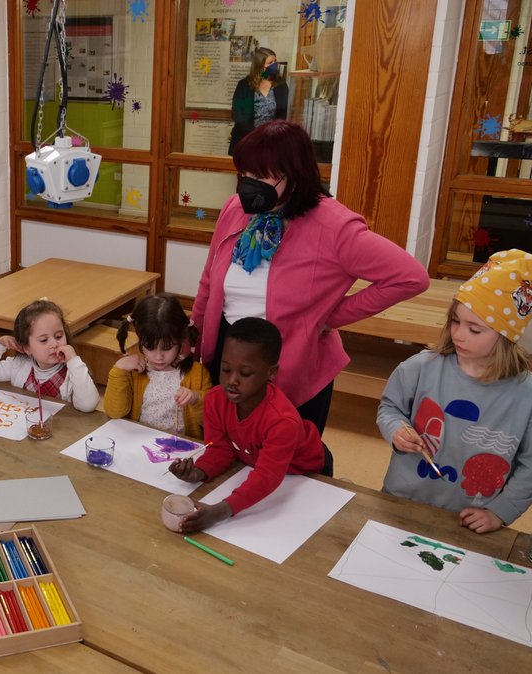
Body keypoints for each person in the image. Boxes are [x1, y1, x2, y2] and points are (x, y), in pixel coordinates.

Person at [191, 120, 429, 434]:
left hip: (291, 358)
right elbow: (209, 279)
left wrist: (328, 316)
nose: (248, 185)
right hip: (229, 350)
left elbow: (410, 277)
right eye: (244, 174)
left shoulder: (335, 226)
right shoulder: (236, 209)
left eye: (260, 176)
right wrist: (193, 336)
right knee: (224, 446)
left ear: (295, 173)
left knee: (285, 458)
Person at [377, 250, 532, 534]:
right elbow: (390, 408)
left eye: (475, 329)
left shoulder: (529, 394)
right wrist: (396, 429)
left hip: (470, 517)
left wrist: (501, 512)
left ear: (506, 337)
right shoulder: (422, 366)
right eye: (455, 321)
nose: (458, 334)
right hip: (402, 499)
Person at [169, 318, 328, 533]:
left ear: (271, 373)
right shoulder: (216, 399)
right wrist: (199, 472)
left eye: (245, 374)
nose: (232, 380)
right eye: (225, 369)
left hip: (305, 472)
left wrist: (220, 511)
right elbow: (219, 448)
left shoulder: (282, 421)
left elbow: (266, 477)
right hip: (253, 462)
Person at [104, 295, 213, 437]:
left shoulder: (198, 374)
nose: (158, 356)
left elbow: (211, 423)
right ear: (140, 340)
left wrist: (197, 399)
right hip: (138, 444)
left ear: (180, 340)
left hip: (179, 451)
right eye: (150, 347)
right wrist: (118, 369)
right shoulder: (132, 371)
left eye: (167, 348)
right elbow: (114, 412)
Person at [0, 299, 101, 412]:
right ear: (26, 347)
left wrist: (74, 361)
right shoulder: (19, 365)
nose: (54, 344)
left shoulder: (71, 372)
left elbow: (88, 405)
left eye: (59, 336)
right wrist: (0, 344)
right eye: (44, 340)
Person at [228, 47, 289, 153]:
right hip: (247, 141)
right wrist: (256, 136)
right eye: (270, 62)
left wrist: (271, 136)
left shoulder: (281, 85)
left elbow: (284, 114)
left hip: (272, 143)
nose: (274, 65)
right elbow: (237, 114)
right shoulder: (244, 85)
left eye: (275, 61)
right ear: (260, 66)